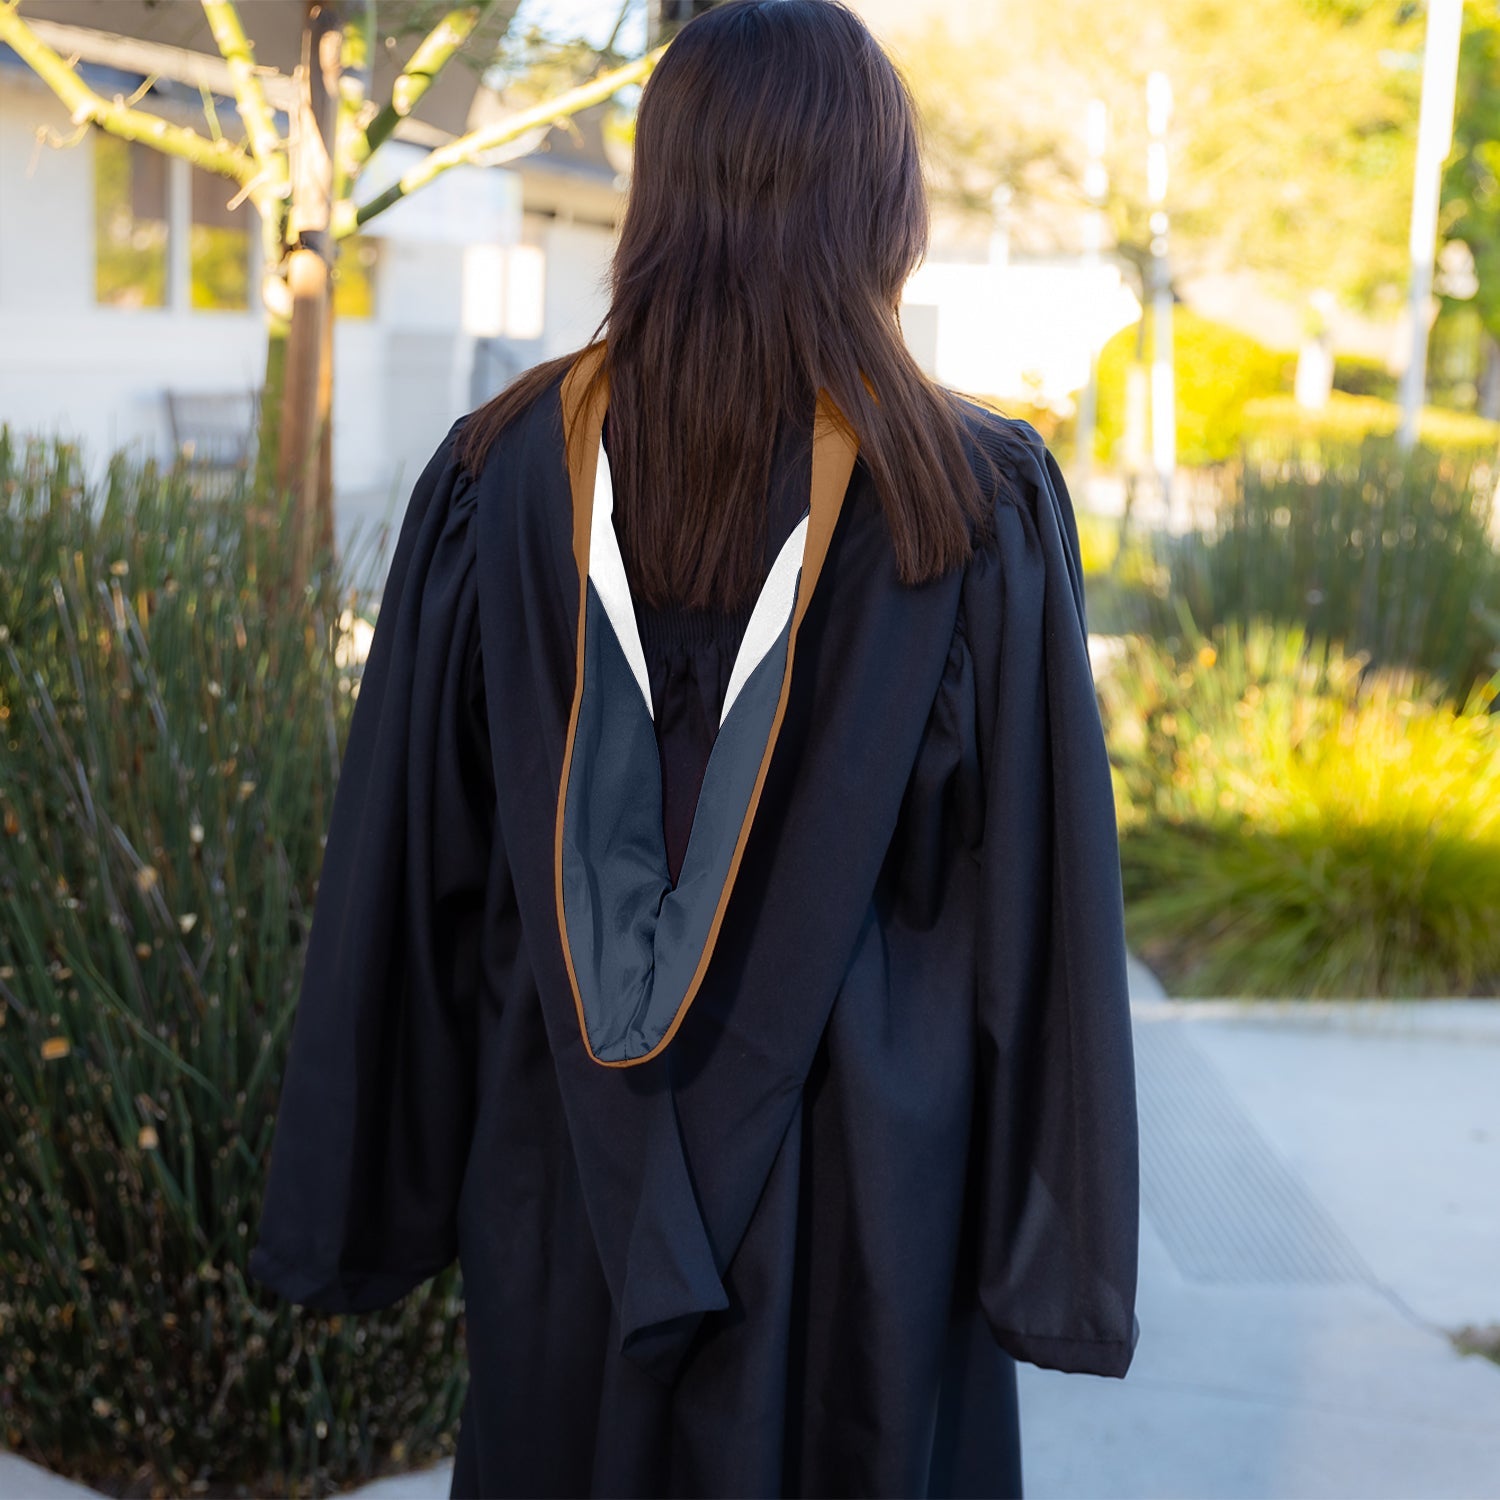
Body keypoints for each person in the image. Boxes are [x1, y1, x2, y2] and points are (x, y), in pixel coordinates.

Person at [247, 2, 1141, 1496]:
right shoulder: (969, 505)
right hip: (874, 1214)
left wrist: (362, 1198)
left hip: (568, 1190)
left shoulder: (501, 478)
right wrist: (1050, 1244)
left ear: (657, 191)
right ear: (884, 203)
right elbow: (1039, 908)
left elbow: (413, 875)